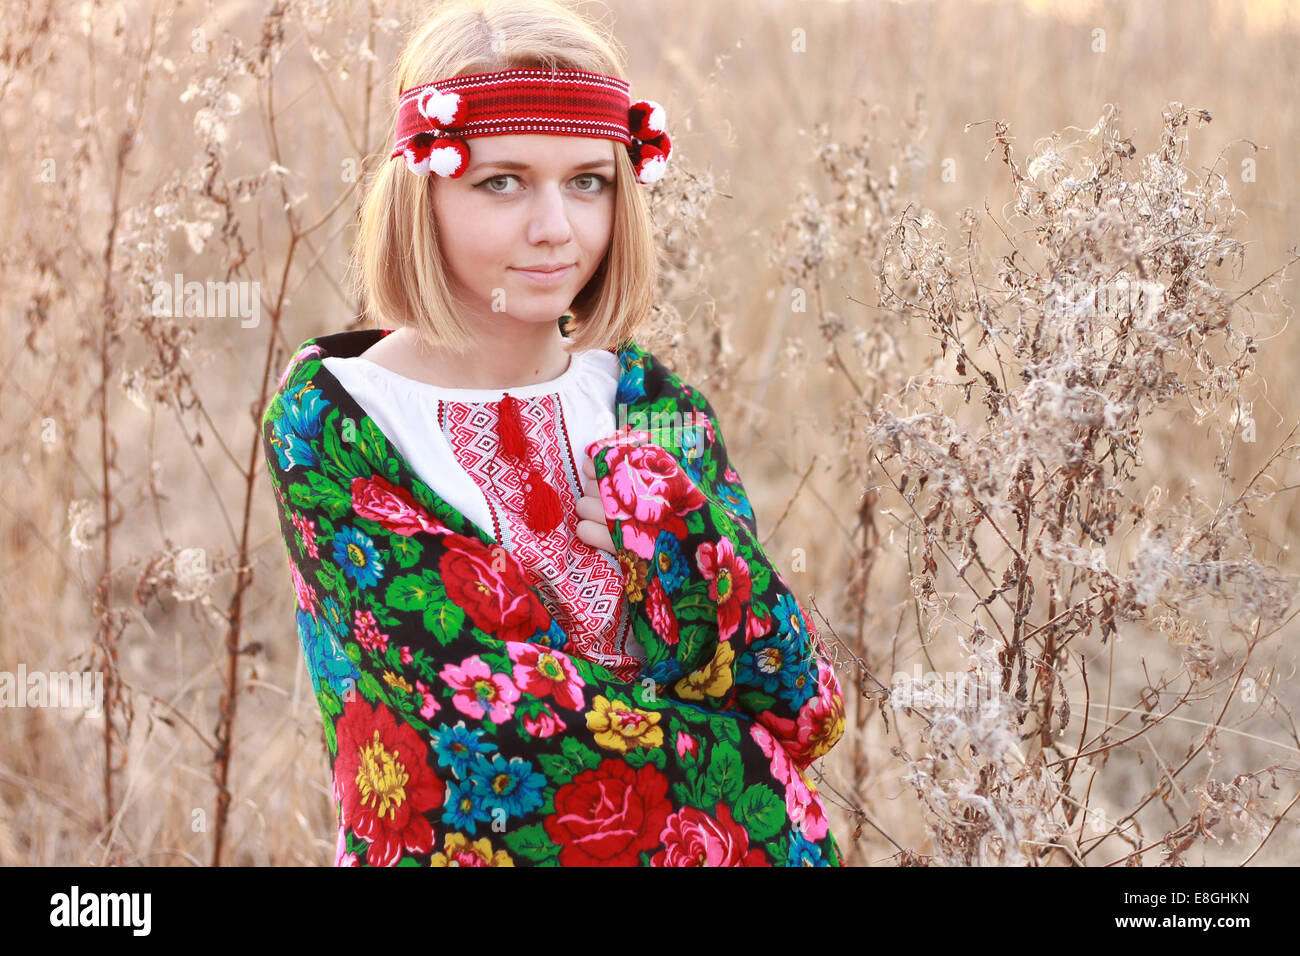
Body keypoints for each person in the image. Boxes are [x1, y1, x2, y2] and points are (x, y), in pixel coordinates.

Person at [261, 0, 846, 867]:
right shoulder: (337, 422)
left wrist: (687, 551)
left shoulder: (648, 399)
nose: (555, 228)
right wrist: (741, 761)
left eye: (588, 182)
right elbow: (491, 738)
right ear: (423, 185)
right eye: (502, 181)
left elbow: (804, 703)